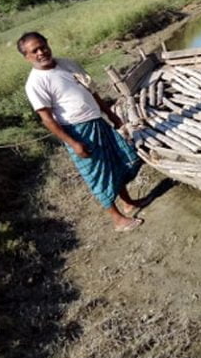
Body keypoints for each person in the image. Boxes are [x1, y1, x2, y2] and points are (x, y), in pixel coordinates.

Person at [17, 31, 144, 232]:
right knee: (98, 174)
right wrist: (73, 143)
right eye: (35, 51)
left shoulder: (68, 64)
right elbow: (47, 120)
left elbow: (92, 92)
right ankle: (117, 219)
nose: (41, 52)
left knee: (115, 162)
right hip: (78, 131)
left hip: (97, 122)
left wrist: (111, 115)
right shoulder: (35, 83)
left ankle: (127, 203)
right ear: (27, 57)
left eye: (43, 46)